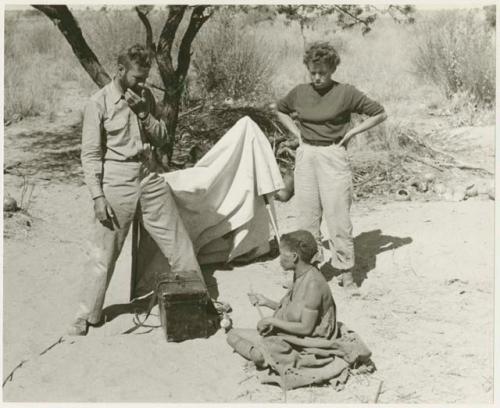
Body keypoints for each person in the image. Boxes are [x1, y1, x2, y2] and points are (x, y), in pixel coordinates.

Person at [68, 44, 201, 336]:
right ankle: (86, 314)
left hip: (148, 173)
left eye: (145, 78)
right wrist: (97, 196)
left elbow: (163, 137)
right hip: (116, 178)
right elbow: (89, 155)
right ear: (120, 70)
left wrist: (144, 114)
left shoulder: (146, 97)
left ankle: (197, 301)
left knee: (179, 242)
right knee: (104, 252)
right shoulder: (98, 103)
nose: (142, 84)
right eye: (137, 78)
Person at [274, 41, 387, 288]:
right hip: (306, 156)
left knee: (337, 216)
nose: (317, 78)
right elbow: (280, 110)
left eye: (322, 72)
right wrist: (297, 135)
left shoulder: (346, 92)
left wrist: (352, 133)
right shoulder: (299, 92)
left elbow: (379, 113)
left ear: (332, 69)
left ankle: (345, 269)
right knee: (307, 217)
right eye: (312, 72)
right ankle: (307, 270)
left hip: (333, 157)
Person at [226, 230, 372, 389]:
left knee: (252, 343)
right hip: (294, 334)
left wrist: (271, 320)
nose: (280, 259)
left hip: (310, 342)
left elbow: (306, 328)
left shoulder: (313, 284)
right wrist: (266, 302)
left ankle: (264, 356)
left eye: (282, 255)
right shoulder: (301, 273)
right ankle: (264, 353)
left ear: (294, 257)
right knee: (233, 335)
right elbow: (295, 310)